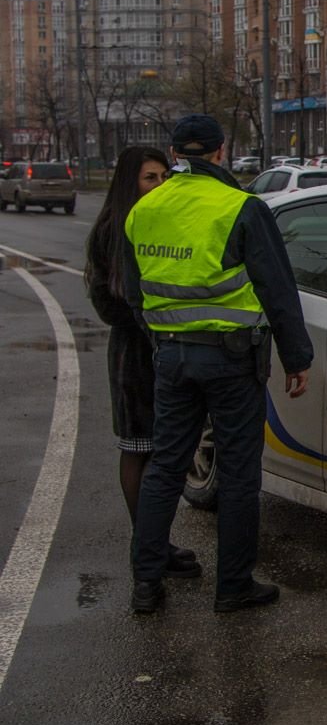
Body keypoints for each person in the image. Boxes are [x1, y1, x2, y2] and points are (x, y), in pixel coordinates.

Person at [123, 114, 314, 615]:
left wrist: (162, 337)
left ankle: (146, 583)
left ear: (174, 153)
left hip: (171, 355)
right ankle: (233, 586)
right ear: (220, 151)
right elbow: (277, 288)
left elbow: (133, 291)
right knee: (238, 474)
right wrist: (297, 357)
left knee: (166, 466)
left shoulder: (145, 208)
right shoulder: (241, 206)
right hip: (232, 360)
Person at [84, 147, 201, 579]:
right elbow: (108, 301)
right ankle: (147, 547)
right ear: (129, 182)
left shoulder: (162, 221)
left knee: (166, 450)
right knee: (139, 446)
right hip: (134, 354)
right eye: (150, 178)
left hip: (165, 345)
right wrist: (149, 320)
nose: (160, 185)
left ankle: (155, 543)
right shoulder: (114, 228)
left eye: (164, 177)